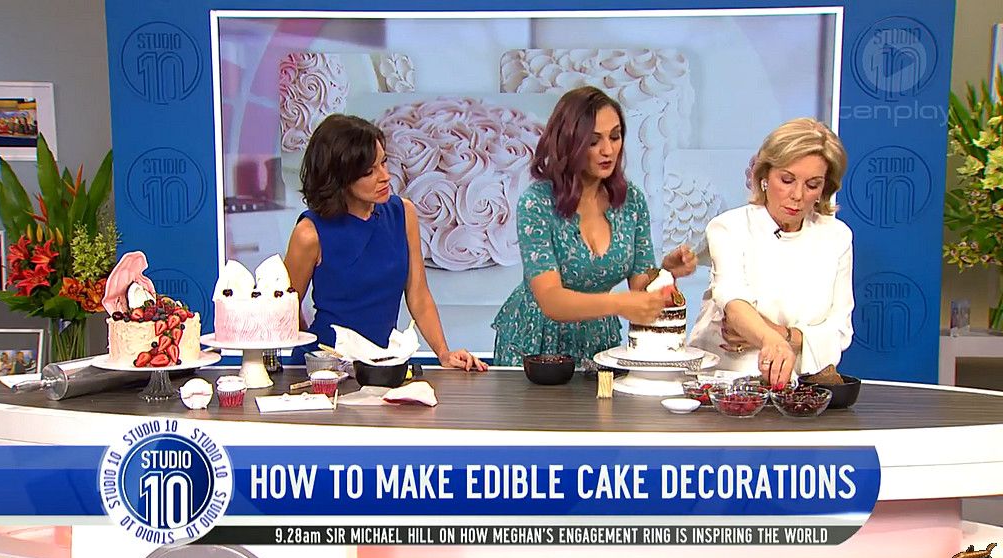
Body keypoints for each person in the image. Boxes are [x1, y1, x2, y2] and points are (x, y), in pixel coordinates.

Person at [493, 86, 697, 366]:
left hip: (598, 344)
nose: (608, 150)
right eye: (593, 141)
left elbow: (640, 290)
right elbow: (551, 300)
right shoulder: (537, 202)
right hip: (536, 347)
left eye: (615, 136)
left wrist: (666, 273)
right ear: (569, 143)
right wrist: (619, 304)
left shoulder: (631, 201)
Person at [285, 114, 487, 371]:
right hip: (326, 367)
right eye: (369, 172)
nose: (385, 176)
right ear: (339, 177)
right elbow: (285, 307)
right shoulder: (309, 233)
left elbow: (418, 294)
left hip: (382, 365)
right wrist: (312, 351)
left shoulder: (403, 213)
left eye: (383, 162)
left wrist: (443, 352)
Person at [686, 118, 853, 387]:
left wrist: (776, 335)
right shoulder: (729, 227)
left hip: (799, 388)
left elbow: (839, 331)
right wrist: (778, 339)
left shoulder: (837, 236)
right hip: (722, 382)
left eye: (812, 185)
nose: (797, 195)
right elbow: (733, 303)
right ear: (764, 177)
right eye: (787, 180)